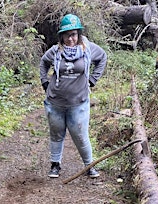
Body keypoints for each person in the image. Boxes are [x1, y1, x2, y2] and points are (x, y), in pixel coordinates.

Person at [39, 13, 107, 178]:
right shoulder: (55, 51)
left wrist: (92, 81)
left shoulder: (88, 48)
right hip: (55, 102)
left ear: (79, 34)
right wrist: (45, 83)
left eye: (74, 34)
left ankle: (89, 166)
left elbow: (103, 58)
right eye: (67, 35)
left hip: (79, 102)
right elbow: (43, 62)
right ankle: (55, 165)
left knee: (80, 135)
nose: (70, 39)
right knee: (56, 133)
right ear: (61, 36)